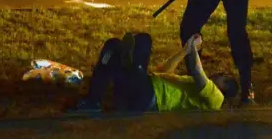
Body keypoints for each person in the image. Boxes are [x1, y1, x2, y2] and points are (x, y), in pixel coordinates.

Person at [73, 32, 239, 113]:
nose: (217, 74)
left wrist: (193, 47)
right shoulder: (194, 86)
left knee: (144, 40)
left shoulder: (216, 98)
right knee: (113, 46)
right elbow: (162, 71)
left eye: (222, 77)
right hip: (141, 88)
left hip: (148, 98)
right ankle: (93, 101)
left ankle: (129, 62)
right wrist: (185, 51)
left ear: (225, 88)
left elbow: (197, 71)